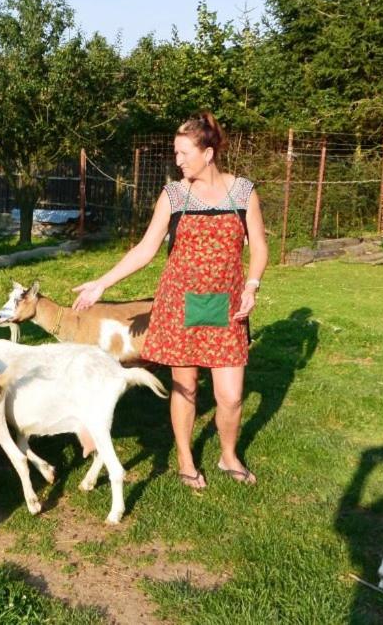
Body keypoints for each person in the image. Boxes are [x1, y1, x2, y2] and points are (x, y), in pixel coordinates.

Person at [72, 112, 267, 489]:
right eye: (175, 153)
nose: (177, 161)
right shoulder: (174, 195)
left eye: (183, 153)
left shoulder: (243, 192)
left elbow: (258, 246)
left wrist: (252, 285)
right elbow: (145, 249)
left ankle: (228, 456)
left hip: (227, 305)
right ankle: (185, 459)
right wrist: (102, 283)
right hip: (180, 303)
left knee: (230, 396)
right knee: (187, 387)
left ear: (207, 153)